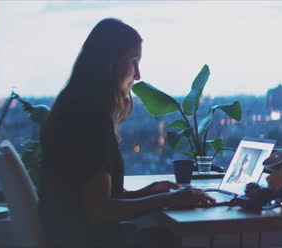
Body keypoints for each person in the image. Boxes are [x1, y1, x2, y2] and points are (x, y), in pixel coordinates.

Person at [39, 18, 215, 248]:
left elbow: (99, 199)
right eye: (133, 61)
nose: (138, 74)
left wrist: (150, 193)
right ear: (109, 64)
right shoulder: (90, 120)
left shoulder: (74, 109)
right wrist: (166, 199)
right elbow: (99, 211)